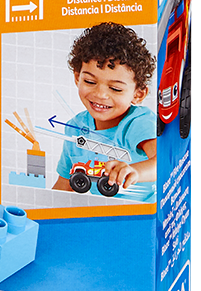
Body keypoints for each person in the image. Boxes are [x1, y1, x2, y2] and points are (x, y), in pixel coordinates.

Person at [51, 22, 158, 194]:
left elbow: (160, 162)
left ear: (138, 94)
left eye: (115, 88)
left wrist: (135, 171)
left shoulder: (138, 123)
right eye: (90, 81)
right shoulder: (75, 127)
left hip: (139, 210)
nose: (100, 94)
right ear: (77, 77)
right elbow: (64, 185)